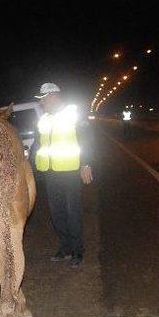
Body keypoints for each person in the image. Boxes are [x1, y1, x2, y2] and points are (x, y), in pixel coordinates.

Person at [33, 82, 93, 268]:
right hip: (51, 173)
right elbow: (38, 145)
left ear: (54, 96)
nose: (41, 103)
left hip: (70, 170)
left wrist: (86, 164)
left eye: (43, 99)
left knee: (72, 212)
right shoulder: (44, 120)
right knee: (57, 213)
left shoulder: (72, 114)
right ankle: (65, 247)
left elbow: (86, 140)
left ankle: (77, 250)